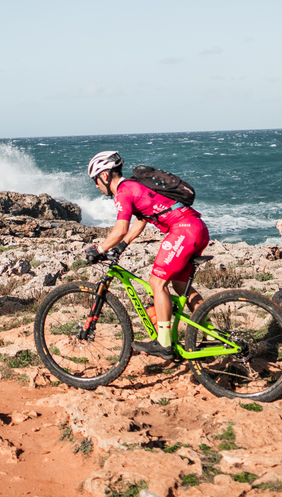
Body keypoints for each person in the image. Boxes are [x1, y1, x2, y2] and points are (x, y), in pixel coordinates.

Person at [86, 151, 208, 360]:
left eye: (96, 181)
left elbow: (120, 228)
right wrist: (123, 245)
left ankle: (164, 342)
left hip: (183, 229)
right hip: (196, 228)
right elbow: (141, 220)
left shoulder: (123, 191)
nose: (96, 186)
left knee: (156, 282)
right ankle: (211, 333)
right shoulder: (135, 186)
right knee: (180, 286)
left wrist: (99, 249)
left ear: (105, 176)